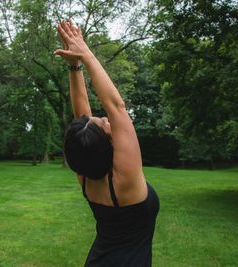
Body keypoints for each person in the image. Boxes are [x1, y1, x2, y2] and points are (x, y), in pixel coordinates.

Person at [54, 20, 160, 266]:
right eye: (104, 123)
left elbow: (82, 114)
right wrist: (86, 53)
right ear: (106, 143)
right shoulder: (126, 180)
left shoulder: (86, 177)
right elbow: (116, 106)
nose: (105, 118)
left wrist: (75, 67)